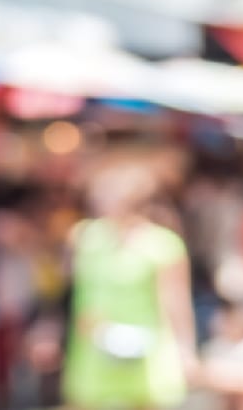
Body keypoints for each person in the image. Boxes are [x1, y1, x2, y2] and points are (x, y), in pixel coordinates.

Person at [62, 163, 197, 409]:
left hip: (146, 351)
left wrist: (185, 349)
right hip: (93, 351)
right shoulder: (85, 237)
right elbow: (68, 290)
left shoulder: (162, 244)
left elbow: (175, 300)